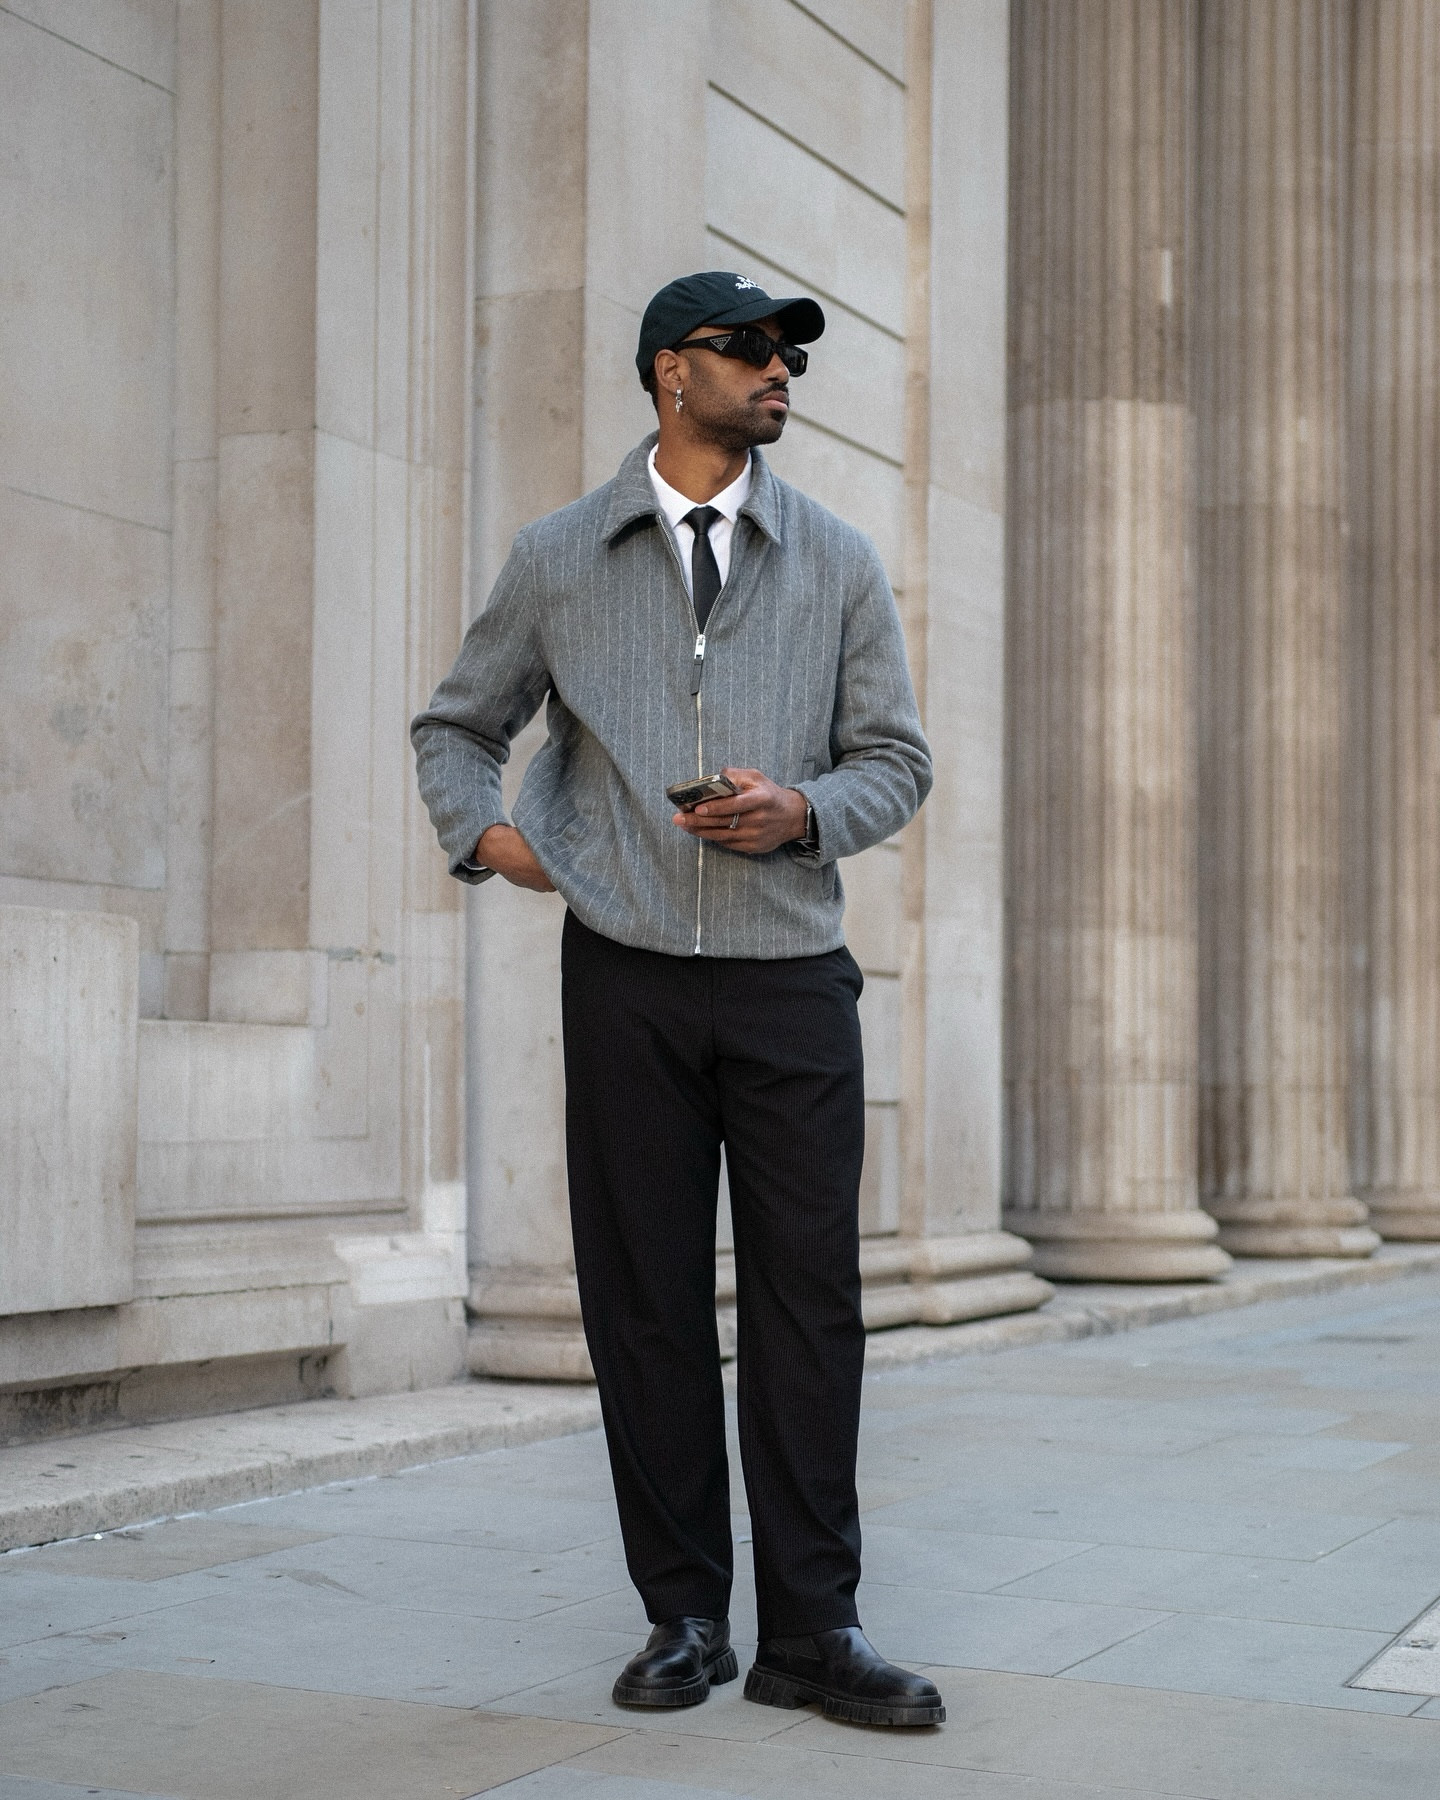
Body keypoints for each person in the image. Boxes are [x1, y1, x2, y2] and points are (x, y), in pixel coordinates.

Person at [412, 271, 942, 1728]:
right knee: (644, 1303)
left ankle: (814, 1634)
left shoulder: (833, 558)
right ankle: (686, 1617)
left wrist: (804, 811)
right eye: (753, 351)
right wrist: (495, 838)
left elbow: (897, 760)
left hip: (788, 987)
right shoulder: (562, 555)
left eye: (792, 358)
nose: (782, 374)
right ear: (671, 373)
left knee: (806, 1308)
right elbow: (460, 724)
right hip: (628, 979)